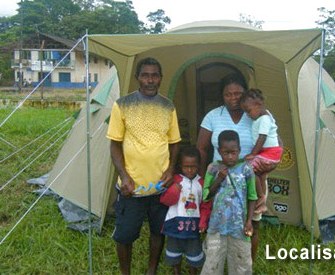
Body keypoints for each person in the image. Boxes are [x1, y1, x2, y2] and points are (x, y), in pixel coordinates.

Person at [106, 57, 181, 275]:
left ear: (160, 78)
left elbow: (174, 143)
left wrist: (170, 170)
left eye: (155, 75)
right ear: (137, 77)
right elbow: (115, 145)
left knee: (158, 232)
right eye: (145, 75)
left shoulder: (168, 106)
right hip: (132, 187)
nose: (150, 80)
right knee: (124, 236)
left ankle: (151, 271)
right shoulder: (122, 104)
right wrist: (124, 176)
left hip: (160, 186)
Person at [197, 72, 280, 262]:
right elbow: (201, 148)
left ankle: (245, 265)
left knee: (251, 225)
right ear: (222, 96)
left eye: (238, 93)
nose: (233, 98)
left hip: (252, 177)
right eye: (228, 94)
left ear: (246, 94)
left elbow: (275, 142)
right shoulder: (213, 116)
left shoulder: (257, 114)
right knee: (218, 222)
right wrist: (203, 178)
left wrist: (269, 166)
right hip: (221, 178)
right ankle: (216, 263)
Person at [201, 130, 257, 275]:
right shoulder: (213, 168)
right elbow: (206, 195)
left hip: (239, 226)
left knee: (242, 263)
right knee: (212, 263)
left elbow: (252, 197)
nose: (230, 156)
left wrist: (249, 220)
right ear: (219, 151)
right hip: (217, 225)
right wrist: (219, 178)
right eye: (226, 153)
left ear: (239, 150)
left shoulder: (246, 169)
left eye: (234, 152)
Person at [160, 146, 211, 275]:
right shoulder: (175, 180)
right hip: (175, 224)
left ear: (198, 166)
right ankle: (176, 272)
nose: (189, 170)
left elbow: (205, 205)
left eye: (193, 166)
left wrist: (203, 222)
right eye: (186, 166)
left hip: (193, 225)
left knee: (193, 252)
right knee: (174, 251)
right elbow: (165, 201)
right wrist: (173, 190)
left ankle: (192, 272)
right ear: (180, 166)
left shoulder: (201, 183)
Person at [240, 89, 283, 214]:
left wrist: (253, 154)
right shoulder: (266, 115)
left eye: (248, 111)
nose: (248, 115)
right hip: (270, 153)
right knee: (261, 175)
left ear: (259, 106)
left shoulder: (264, 119)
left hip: (270, 153)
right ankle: (262, 203)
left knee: (249, 168)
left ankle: (260, 197)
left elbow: (262, 137)